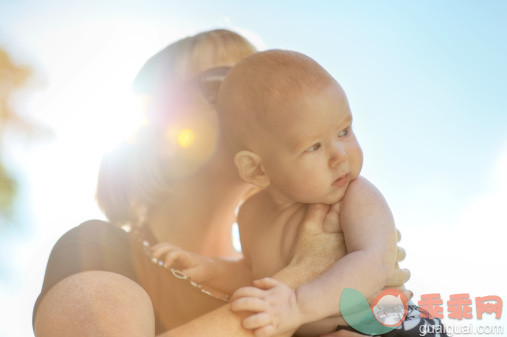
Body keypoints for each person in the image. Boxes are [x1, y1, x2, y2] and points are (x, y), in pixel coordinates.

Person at [32, 29, 409, 337]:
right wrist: (299, 278)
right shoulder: (96, 249)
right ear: (163, 132)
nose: (271, 107)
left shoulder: (327, 217)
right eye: (222, 87)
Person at [151, 50, 447, 337]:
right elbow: (257, 277)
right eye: (314, 146)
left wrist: (297, 305)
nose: (340, 156)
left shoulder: (356, 196)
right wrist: (209, 269)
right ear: (257, 170)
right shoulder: (252, 214)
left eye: (344, 131)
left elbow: (373, 264)